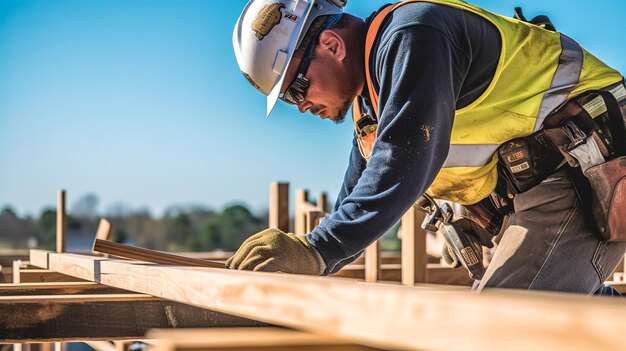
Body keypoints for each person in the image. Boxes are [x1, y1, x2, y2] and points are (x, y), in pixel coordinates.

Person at [228, 0, 626, 294]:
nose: (300, 105)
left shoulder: (414, 35)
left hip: (589, 161)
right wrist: (309, 261)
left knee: (497, 327)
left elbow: (402, 159)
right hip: (551, 184)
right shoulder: (370, 103)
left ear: (332, 45)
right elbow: (360, 197)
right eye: (286, 100)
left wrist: (317, 250)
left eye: (296, 87)